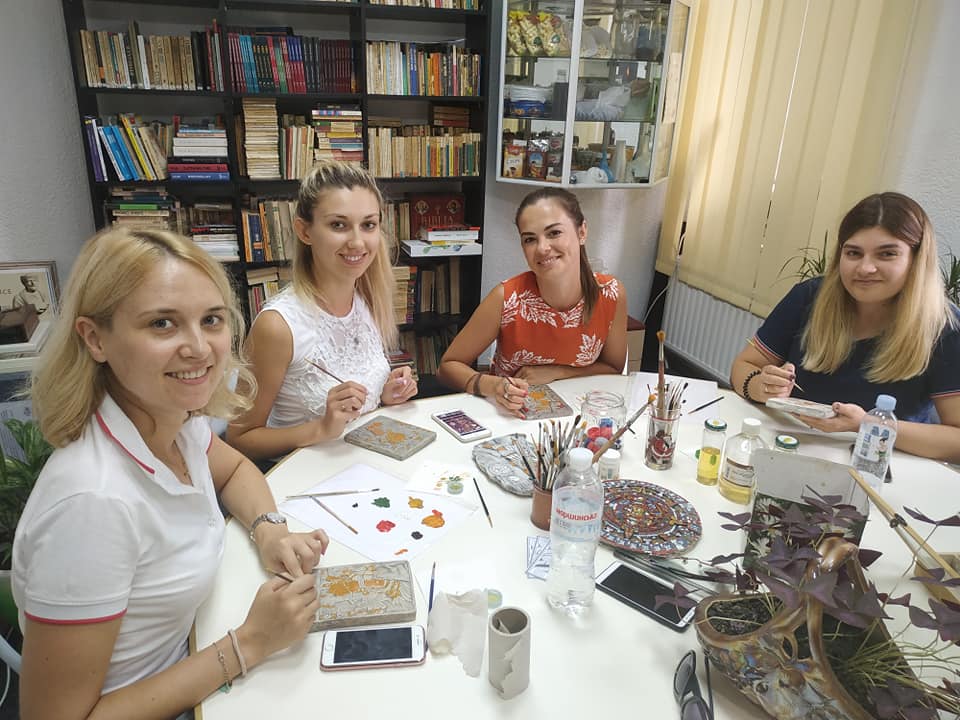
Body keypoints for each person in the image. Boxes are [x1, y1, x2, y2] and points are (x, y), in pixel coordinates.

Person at [13, 227, 329, 720]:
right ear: (95, 338)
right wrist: (248, 643)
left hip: (195, 653)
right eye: (163, 323)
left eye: (211, 320)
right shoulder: (93, 503)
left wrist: (270, 530)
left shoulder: (174, 419)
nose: (200, 348)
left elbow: (235, 470)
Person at [730, 191, 960, 463]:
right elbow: (744, 366)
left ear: (916, 259)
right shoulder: (810, 296)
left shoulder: (945, 327)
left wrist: (868, 424)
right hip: (787, 448)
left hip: (879, 466)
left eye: (887, 254)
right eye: (853, 253)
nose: (865, 268)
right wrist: (761, 386)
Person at [227, 161, 417, 460]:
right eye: (338, 225)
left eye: (368, 225)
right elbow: (240, 439)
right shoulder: (278, 326)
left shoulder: (367, 298)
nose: (357, 242)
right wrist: (320, 428)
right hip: (303, 475)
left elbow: (358, 404)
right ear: (305, 231)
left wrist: (385, 394)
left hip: (363, 463)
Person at [437, 187, 627, 416]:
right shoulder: (506, 298)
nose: (542, 248)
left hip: (581, 417)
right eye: (530, 239)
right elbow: (447, 367)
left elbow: (613, 369)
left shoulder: (611, 294)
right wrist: (494, 386)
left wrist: (557, 372)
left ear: (582, 232)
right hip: (512, 417)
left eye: (554, 233)